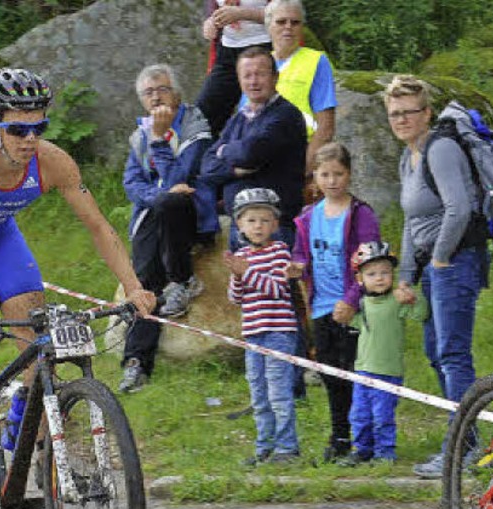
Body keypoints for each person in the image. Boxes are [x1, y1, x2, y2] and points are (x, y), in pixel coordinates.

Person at [0, 68, 155, 355]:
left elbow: (99, 226)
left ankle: (32, 400)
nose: (29, 139)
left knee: (32, 324)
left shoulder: (52, 162)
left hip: (0, 237)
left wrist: (133, 286)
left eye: (38, 128)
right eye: (17, 129)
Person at [382, 75, 484, 480]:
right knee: (436, 353)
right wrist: (407, 273)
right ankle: (466, 436)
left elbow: (458, 208)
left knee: (453, 354)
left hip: (457, 262)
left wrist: (440, 258)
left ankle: (461, 447)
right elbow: (412, 220)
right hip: (433, 268)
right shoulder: (408, 157)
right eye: (394, 113)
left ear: (426, 113)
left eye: (409, 111)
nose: (402, 119)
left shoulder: (439, 149)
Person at [119, 64, 219, 393]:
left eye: (162, 89)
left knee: (172, 202)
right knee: (145, 281)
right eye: (148, 93)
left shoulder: (194, 123)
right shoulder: (139, 133)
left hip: (192, 217)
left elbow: (182, 177)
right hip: (155, 216)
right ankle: (136, 362)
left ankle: (182, 279)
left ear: (176, 92)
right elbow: (131, 183)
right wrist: (156, 196)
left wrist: (161, 141)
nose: (156, 97)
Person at [292, 143, 380, 463]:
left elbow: (372, 261)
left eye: (338, 174)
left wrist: (352, 299)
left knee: (355, 372)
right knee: (331, 376)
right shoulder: (306, 217)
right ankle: (339, 436)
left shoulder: (360, 214)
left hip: (351, 307)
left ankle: (365, 440)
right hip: (320, 306)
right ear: (314, 177)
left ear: (349, 174)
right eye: (325, 174)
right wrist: (297, 267)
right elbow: (301, 254)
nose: (332, 181)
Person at [200, 46, 306, 251]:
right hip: (240, 225)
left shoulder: (285, 115)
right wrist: (233, 170)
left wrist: (224, 151)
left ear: (275, 77)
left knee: (275, 283)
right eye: (247, 75)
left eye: (260, 74)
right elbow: (206, 166)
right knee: (244, 283)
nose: (253, 81)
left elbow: (251, 153)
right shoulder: (239, 118)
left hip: (273, 227)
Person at [224, 187, 301, 465]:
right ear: (240, 225)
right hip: (253, 334)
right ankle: (264, 447)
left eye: (265, 220)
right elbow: (236, 298)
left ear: (275, 224)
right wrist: (236, 275)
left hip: (278, 333)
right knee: (258, 393)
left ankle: (287, 448)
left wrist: (247, 271)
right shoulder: (243, 255)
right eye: (251, 220)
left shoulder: (280, 252)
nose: (258, 226)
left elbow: (277, 288)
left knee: (279, 392)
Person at [342, 242, 429, 466]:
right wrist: (341, 314)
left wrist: (413, 299)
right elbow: (349, 322)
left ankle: (385, 453)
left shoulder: (396, 301)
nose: (379, 278)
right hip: (362, 370)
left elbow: (420, 315)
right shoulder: (362, 304)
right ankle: (362, 449)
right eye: (371, 274)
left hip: (388, 371)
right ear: (360, 279)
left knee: (382, 416)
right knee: (359, 415)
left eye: (385, 272)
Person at [265, 0, 337, 175]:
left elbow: (325, 127)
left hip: (298, 155)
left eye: (295, 22)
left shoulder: (316, 61)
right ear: (268, 26)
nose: (288, 27)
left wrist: (303, 170)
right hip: (262, 157)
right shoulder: (259, 64)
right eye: (281, 22)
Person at [197, 0, 272, 135]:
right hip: (227, 50)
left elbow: (285, 15)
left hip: (264, 48)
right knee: (203, 116)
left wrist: (242, 14)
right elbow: (213, 9)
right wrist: (210, 23)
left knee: (260, 115)